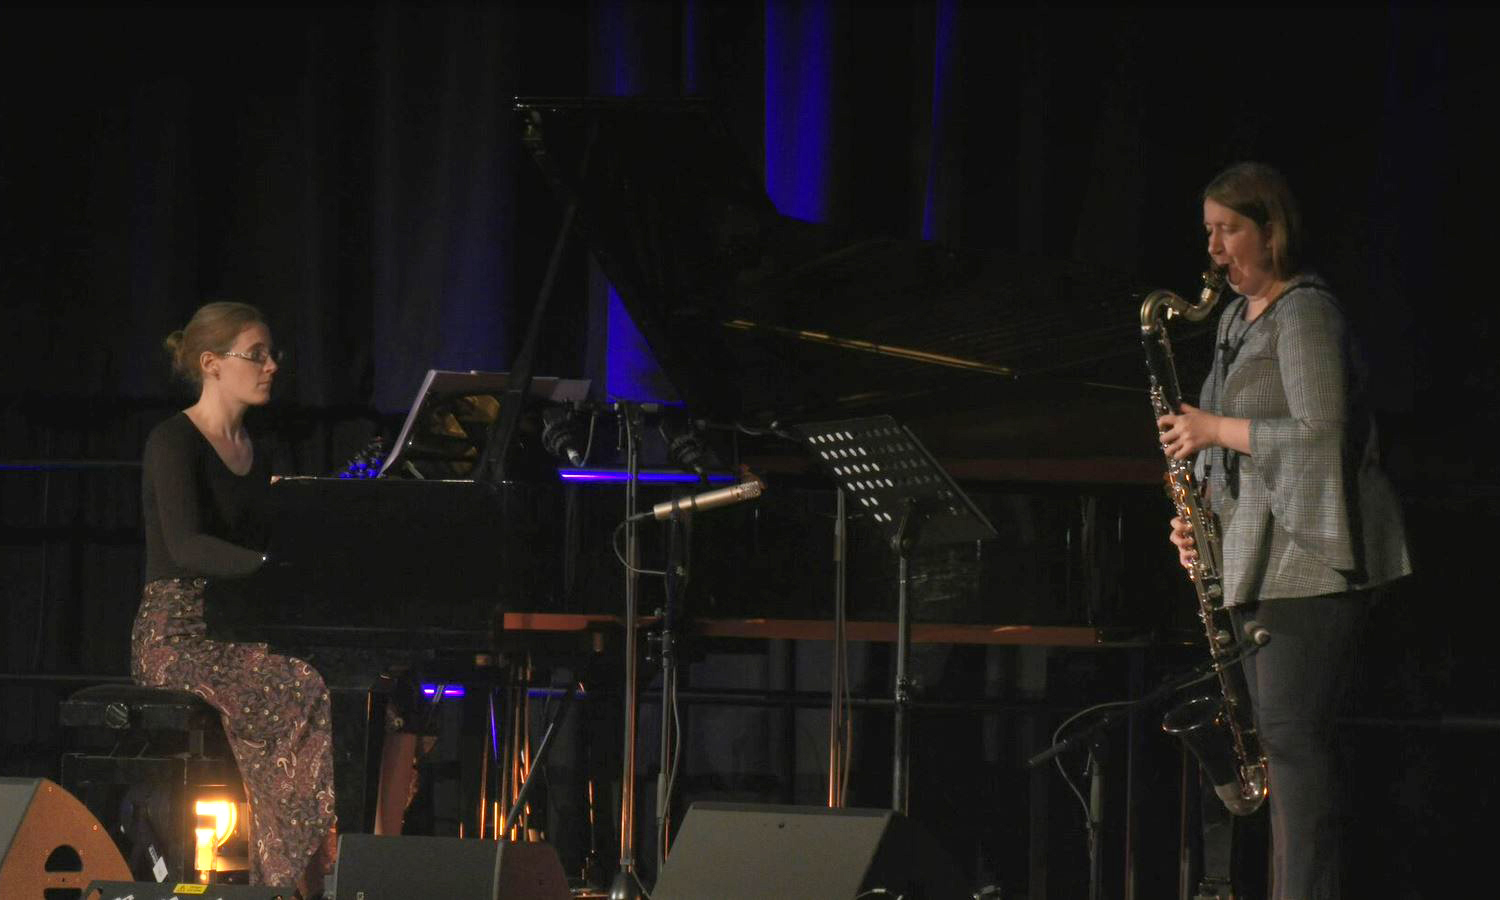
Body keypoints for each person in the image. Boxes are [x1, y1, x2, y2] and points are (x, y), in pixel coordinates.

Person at [1157, 162, 1410, 900]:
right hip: (1255, 556)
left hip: (1310, 557)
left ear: (1272, 229)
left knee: (1296, 747)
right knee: (1274, 751)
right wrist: (1194, 519)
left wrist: (1215, 429)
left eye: (1229, 230)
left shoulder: (1305, 313)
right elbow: (1206, 442)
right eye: (1209, 232)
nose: (1215, 249)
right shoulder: (1236, 321)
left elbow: (1320, 432)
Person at [132, 301, 336, 896]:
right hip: (178, 636)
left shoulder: (263, 452)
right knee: (294, 686)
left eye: (274, 355)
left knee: (358, 685)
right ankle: (286, 878)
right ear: (212, 364)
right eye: (257, 354)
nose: (272, 366)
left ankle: (335, 861)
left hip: (241, 628)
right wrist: (272, 564)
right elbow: (187, 545)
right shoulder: (172, 441)